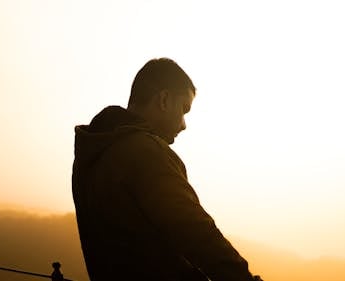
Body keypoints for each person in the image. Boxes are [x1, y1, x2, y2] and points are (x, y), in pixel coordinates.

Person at [72, 58, 262, 281]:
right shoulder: (145, 152)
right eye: (184, 109)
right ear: (164, 100)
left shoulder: (92, 153)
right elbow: (195, 231)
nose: (183, 124)